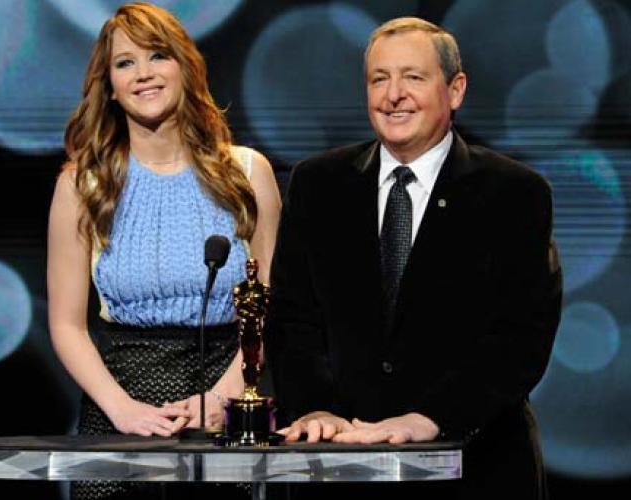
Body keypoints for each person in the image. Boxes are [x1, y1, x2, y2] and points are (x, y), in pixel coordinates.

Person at [264, 16, 561, 500]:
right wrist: (314, 408)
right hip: (342, 461)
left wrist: (430, 418)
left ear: (455, 89)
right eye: (379, 79)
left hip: (475, 464)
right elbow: (292, 318)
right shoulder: (317, 184)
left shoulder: (514, 193)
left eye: (413, 77)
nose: (393, 95)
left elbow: (522, 336)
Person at [47, 3, 281, 498]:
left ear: (185, 67)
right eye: (125, 63)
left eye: (158, 55)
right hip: (119, 411)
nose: (144, 73)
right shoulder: (82, 186)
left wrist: (225, 396)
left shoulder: (247, 172)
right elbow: (67, 325)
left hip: (227, 407)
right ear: (109, 86)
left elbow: (273, 303)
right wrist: (122, 409)